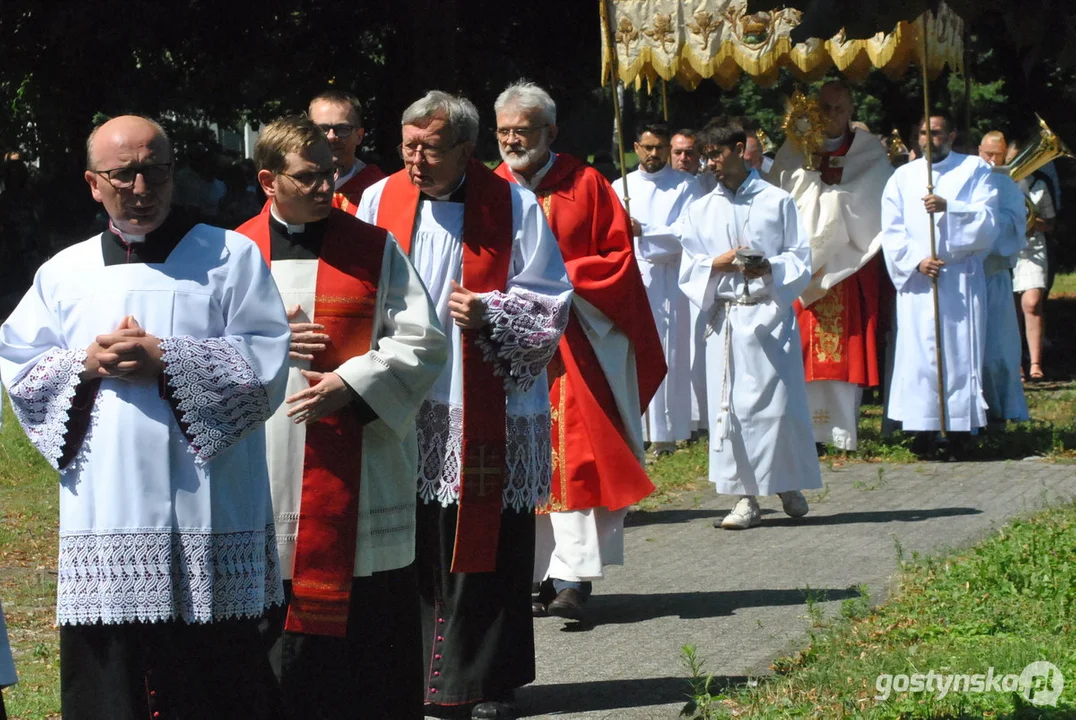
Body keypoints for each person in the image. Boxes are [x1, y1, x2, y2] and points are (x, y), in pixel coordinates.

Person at [0, 115, 291, 719]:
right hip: (107, 507)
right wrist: (85, 362)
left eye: (154, 169)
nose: (141, 185)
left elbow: (266, 361)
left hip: (207, 504)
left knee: (215, 675)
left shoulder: (229, 255)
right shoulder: (63, 273)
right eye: (123, 173)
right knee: (114, 678)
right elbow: (21, 367)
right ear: (92, 182)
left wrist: (167, 357)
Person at [357, 91, 572, 720]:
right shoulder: (380, 199)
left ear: (465, 148)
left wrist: (491, 310)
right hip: (405, 393)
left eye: (431, 147)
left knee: (483, 542)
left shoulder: (511, 203)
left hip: (482, 397)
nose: (416, 159)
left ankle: (484, 682)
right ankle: (412, 677)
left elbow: (552, 303)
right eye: (408, 145)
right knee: (413, 540)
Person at [236, 116, 447, 719]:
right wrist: (269, 344)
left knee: (369, 643)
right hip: (267, 471)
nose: (328, 186)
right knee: (277, 642)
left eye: (330, 173)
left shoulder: (375, 248)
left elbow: (424, 342)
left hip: (362, 466)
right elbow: (200, 352)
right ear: (268, 180)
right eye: (309, 177)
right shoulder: (233, 254)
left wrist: (351, 384)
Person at [492, 81, 663, 622]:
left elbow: (616, 260)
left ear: (551, 132)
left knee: (579, 458)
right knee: (519, 457)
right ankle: (530, 573)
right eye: (504, 132)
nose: (512, 141)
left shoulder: (586, 184)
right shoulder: (487, 188)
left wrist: (554, 287)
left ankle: (572, 576)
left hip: (576, 343)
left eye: (523, 130)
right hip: (509, 348)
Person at [678, 118, 821, 530]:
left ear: (741, 149)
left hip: (768, 317)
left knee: (777, 408)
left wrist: (769, 267)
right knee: (733, 410)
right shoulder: (701, 209)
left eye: (717, 154)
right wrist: (716, 263)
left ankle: (786, 482)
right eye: (705, 157)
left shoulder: (778, 201)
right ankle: (745, 497)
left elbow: (799, 256)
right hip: (726, 320)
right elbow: (690, 266)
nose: (710, 165)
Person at [768, 81, 891, 452]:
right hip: (804, 269)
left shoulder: (869, 153)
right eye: (824, 107)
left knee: (844, 349)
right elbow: (779, 202)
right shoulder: (792, 152)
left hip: (845, 266)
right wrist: (813, 190)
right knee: (801, 349)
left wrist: (834, 204)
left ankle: (840, 431)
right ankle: (803, 431)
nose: (831, 115)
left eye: (838, 108)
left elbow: (874, 204)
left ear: (851, 109)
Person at [880, 113, 998, 457]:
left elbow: (989, 220)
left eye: (935, 133)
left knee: (959, 355)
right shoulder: (903, 177)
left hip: (959, 279)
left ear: (951, 135)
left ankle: (960, 428)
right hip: (920, 281)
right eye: (921, 133)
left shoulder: (974, 169)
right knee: (920, 357)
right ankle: (924, 428)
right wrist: (916, 259)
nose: (927, 139)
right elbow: (892, 228)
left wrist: (951, 208)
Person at [613, 120, 699, 455]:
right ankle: (637, 426)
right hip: (632, 277)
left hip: (670, 279)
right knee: (634, 352)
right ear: (635, 148)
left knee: (670, 352)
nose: (653, 154)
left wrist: (643, 230)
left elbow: (688, 231)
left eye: (659, 147)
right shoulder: (621, 185)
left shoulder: (685, 186)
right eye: (647, 147)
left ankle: (668, 431)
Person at [978, 131, 1029, 422]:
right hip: (967, 276)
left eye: (997, 155)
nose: (991, 160)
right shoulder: (969, 179)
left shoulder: (1008, 185)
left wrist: (985, 227)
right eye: (987, 153)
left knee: (999, 349)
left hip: (994, 275)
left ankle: (1007, 408)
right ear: (978, 151)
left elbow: (1014, 223)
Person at [1012, 144, 1057, 381]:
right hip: (1007, 249)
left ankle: (1036, 363)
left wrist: (1030, 220)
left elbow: (1050, 224)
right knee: (1010, 308)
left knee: (1032, 303)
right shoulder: (998, 181)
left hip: (1033, 249)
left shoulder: (1039, 184)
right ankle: (1015, 361)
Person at [308, 90, 386, 213]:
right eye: (322, 129)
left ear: (359, 136)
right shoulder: (292, 185)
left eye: (343, 129)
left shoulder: (379, 191)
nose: (331, 136)